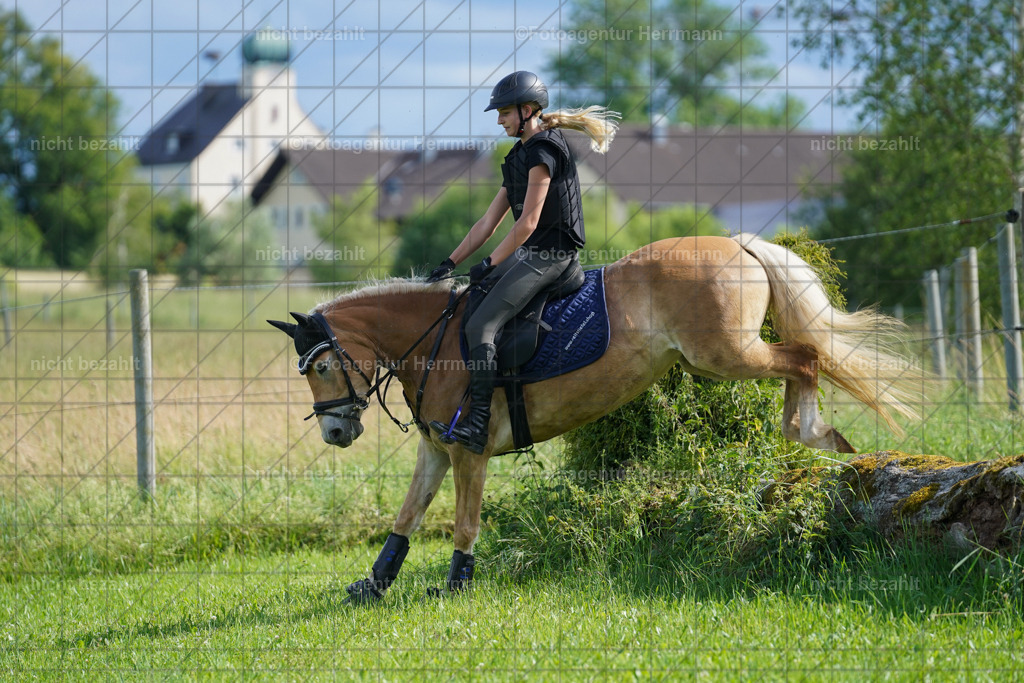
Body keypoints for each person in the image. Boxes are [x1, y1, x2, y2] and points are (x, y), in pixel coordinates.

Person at [425, 70, 619, 454]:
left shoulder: (545, 150)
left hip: (553, 257)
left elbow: (529, 221)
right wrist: (451, 260)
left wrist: (491, 263)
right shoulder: (518, 156)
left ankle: (478, 426)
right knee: (471, 306)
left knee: (481, 324)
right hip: (532, 255)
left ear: (527, 110)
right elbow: (488, 221)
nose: (499, 120)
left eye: (503, 113)